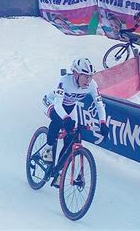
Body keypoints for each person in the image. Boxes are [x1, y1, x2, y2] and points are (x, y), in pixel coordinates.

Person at [41, 58, 109, 186]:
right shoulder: (65, 81)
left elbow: (99, 105)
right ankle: (48, 149)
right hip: (52, 102)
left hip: (71, 106)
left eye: (90, 76)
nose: (88, 80)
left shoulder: (92, 85)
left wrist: (103, 123)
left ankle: (57, 172)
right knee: (58, 120)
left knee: (72, 137)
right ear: (76, 74)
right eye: (85, 77)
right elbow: (58, 105)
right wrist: (66, 119)